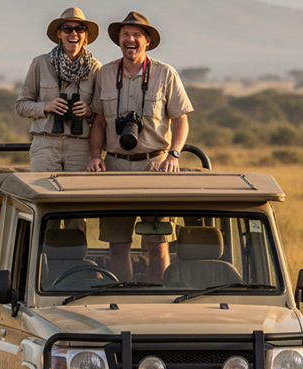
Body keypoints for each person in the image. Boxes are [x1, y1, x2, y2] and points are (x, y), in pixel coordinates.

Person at [85, 11, 194, 283]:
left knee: (157, 242)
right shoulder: (105, 73)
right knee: (117, 243)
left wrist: (174, 154)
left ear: (148, 41)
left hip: (155, 165)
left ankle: (158, 297)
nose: (130, 39)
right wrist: (95, 156)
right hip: (115, 165)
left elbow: (181, 120)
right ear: (119, 40)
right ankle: (121, 296)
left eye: (136, 35)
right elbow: (99, 121)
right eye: (125, 34)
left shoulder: (165, 73)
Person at [16, 7, 102, 173]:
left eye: (79, 29)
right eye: (67, 29)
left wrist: (88, 111)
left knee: (78, 190)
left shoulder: (95, 68)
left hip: (80, 146)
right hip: (45, 143)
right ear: (59, 34)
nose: (73, 34)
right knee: (41, 189)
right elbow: (21, 106)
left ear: (85, 35)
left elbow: (101, 115)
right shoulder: (41, 63)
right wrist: (46, 106)